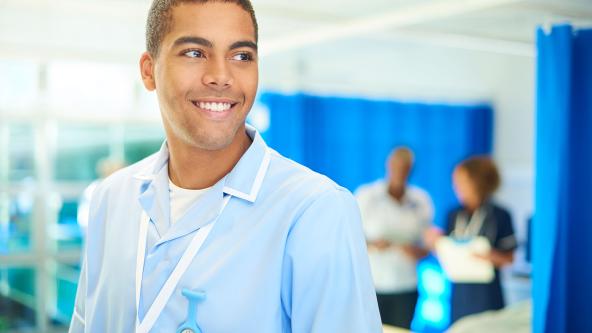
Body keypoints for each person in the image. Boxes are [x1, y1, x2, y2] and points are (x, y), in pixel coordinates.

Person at [68, 1, 381, 332]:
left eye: (242, 56)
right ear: (149, 71)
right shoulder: (111, 199)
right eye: (194, 52)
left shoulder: (315, 211)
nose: (221, 76)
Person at [424, 156, 517, 324]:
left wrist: (486, 256)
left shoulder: (499, 215)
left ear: (477, 181)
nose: (456, 187)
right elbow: (445, 256)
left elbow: (509, 258)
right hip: (460, 294)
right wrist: (435, 245)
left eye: (461, 181)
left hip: (487, 295)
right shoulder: (453, 214)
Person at [355, 147, 433, 329]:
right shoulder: (366, 196)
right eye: (396, 166)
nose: (400, 172)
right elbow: (349, 239)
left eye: (405, 168)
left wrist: (415, 251)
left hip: (406, 283)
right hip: (373, 284)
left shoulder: (421, 200)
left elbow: (428, 245)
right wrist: (373, 245)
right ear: (388, 165)